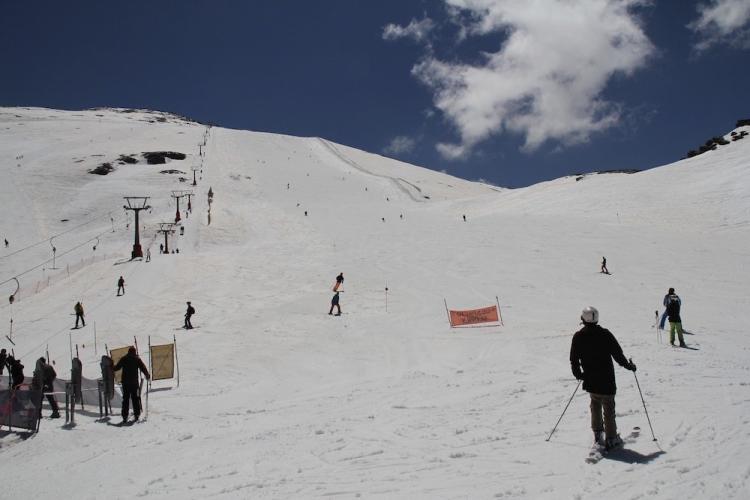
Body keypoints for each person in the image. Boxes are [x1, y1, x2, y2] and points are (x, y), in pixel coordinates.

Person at [570, 306, 637, 450]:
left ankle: (598, 434)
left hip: (590, 379)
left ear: (583, 319)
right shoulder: (605, 334)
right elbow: (618, 354)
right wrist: (628, 366)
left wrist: (579, 375)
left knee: (595, 404)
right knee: (608, 407)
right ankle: (611, 438)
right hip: (607, 379)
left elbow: (574, 359)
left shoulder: (579, 336)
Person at [113, 346, 150, 422]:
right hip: (134, 383)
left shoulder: (124, 358)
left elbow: (117, 368)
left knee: (125, 399)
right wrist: (147, 374)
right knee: (135, 399)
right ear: (134, 352)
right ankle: (136, 414)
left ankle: (124, 416)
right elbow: (143, 367)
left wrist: (110, 366)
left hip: (125, 383)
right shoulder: (137, 359)